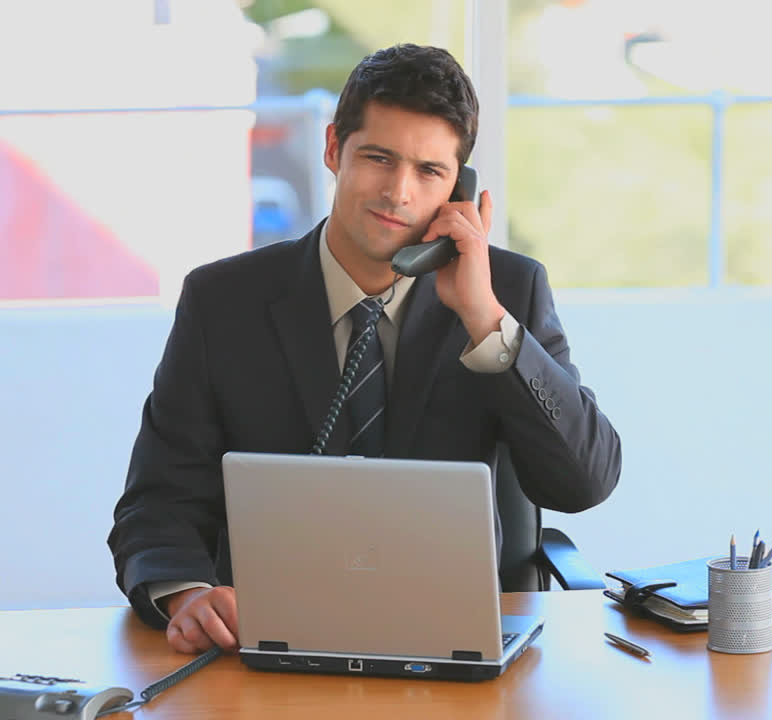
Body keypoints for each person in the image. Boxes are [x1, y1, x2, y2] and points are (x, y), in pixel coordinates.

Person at [108, 43, 622, 654]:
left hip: (457, 643)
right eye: (379, 158)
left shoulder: (507, 291)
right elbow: (156, 502)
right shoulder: (223, 301)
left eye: (430, 171)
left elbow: (584, 483)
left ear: (460, 185)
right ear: (333, 150)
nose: (399, 193)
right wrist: (190, 596)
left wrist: (484, 320)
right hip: (270, 642)